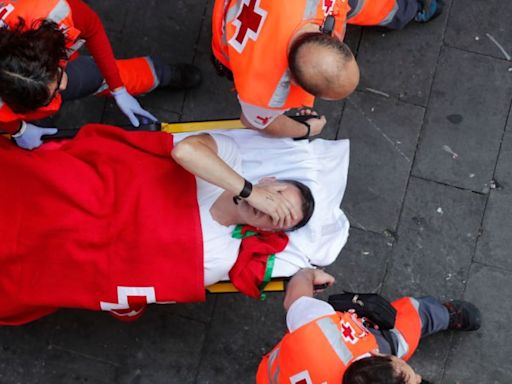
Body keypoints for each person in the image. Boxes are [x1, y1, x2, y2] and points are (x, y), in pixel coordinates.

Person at [0, 124, 314, 324]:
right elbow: (185, 151)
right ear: (268, 181)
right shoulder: (228, 160)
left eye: (281, 219)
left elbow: (138, 277)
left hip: (80, 246)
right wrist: (249, 191)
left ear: (269, 232)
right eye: (279, 196)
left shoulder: (222, 257)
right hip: (88, 189)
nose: (273, 210)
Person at [211, 0, 443, 139]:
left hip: (228, 26)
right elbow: (255, 121)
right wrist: (306, 130)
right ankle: (407, 10)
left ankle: (404, 10)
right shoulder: (264, 94)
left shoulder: (262, 92)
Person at [0, 0, 201, 150]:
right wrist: (19, 129)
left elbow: (92, 28)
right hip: (17, 108)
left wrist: (118, 88)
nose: (62, 87)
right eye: (50, 96)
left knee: (101, 76)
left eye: (58, 75)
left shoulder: (51, 10)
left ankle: (162, 74)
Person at [256, 268, 481, 383]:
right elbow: (294, 302)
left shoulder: (318, 327)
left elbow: (294, 297)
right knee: (406, 328)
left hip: (275, 372)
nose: (418, 377)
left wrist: (306, 273)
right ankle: (438, 315)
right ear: (376, 352)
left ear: (374, 355)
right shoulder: (315, 325)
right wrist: (309, 273)